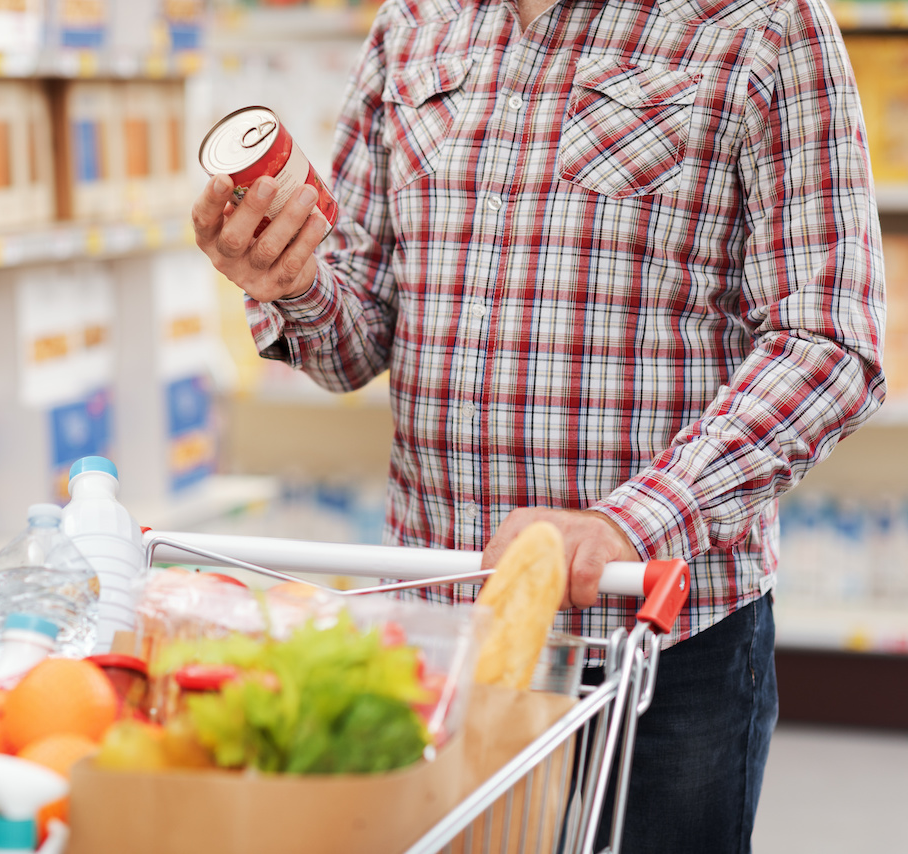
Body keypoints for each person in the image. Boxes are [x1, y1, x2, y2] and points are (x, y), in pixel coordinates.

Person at [192, 0, 885, 849]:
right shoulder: (414, 24)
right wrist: (288, 282)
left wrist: (625, 526)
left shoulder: (764, 24)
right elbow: (358, 340)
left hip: (660, 649)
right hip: (443, 636)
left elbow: (831, 343)